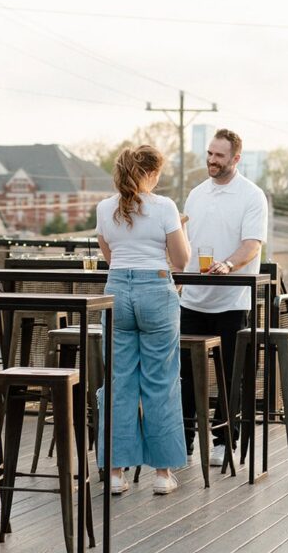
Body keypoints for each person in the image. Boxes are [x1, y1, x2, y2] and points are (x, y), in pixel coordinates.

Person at [96, 144, 190, 495]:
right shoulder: (164, 207)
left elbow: (110, 256)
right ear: (151, 173)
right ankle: (163, 475)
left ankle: (116, 474)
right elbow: (181, 260)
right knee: (161, 381)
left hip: (116, 291)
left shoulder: (105, 208)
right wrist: (179, 230)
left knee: (118, 383)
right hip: (155, 290)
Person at [180, 128, 268, 464]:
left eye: (219, 155)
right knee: (185, 374)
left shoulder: (251, 196)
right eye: (209, 154)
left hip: (232, 300)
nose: (211, 161)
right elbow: (185, 244)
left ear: (235, 158)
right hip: (192, 299)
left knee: (232, 376)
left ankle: (223, 441)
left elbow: (252, 245)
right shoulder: (196, 194)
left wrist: (228, 265)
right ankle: (185, 441)